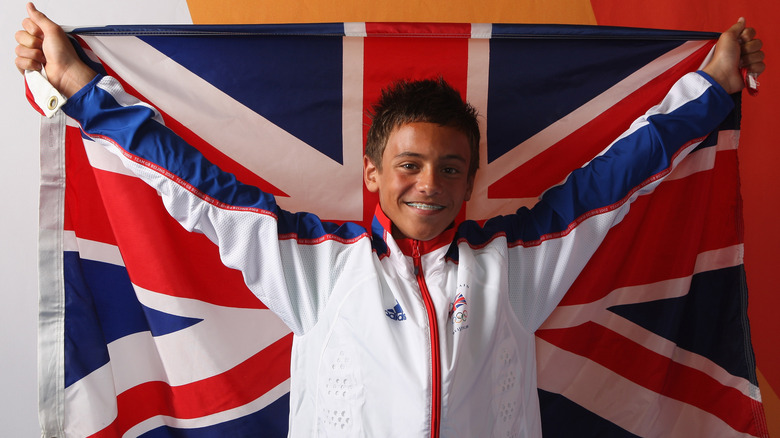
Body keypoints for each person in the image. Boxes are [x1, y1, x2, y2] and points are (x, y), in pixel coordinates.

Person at [15, 3, 765, 437]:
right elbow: (190, 184)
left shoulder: (516, 262)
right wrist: (80, 81)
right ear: (372, 174)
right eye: (409, 166)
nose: (428, 185)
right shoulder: (314, 266)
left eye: (449, 167)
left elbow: (617, 178)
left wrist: (710, 86)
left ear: (475, 180)